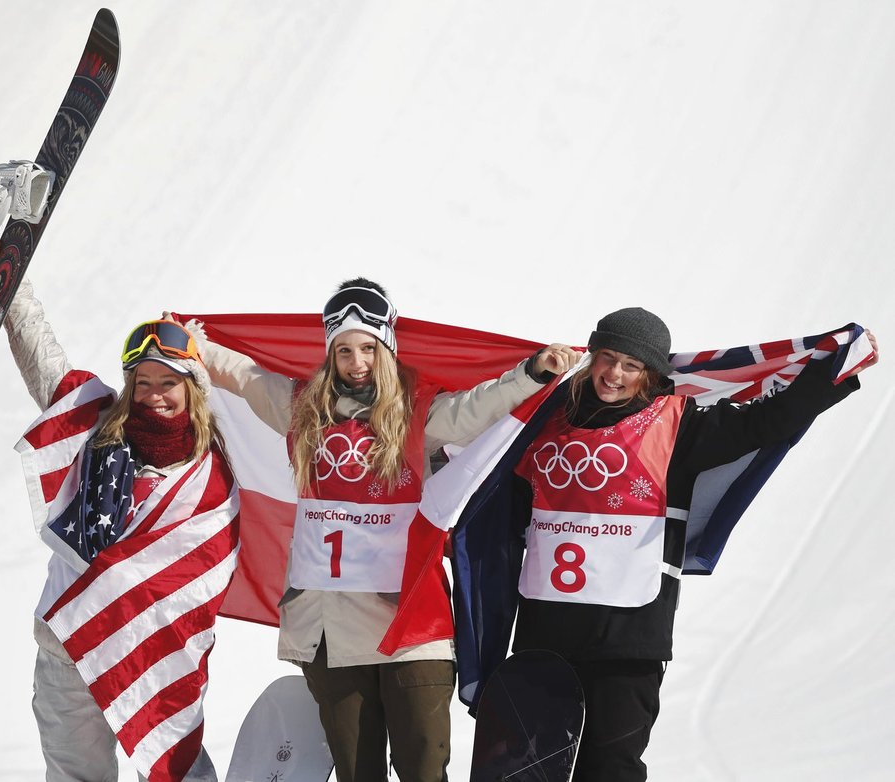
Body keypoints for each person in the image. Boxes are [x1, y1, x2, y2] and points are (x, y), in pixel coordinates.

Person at [189, 278, 570, 782]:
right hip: (329, 626)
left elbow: (475, 409)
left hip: (409, 624)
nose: (356, 362)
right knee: (357, 771)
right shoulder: (303, 408)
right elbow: (245, 375)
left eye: (368, 347)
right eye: (343, 350)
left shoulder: (418, 412)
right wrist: (193, 344)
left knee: (423, 767)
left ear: (387, 347)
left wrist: (531, 373)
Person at [503, 307, 879, 782]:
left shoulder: (677, 424)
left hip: (626, 642)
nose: (614, 374)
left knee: (611, 769)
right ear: (592, 355)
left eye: (631, 365)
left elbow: (765, 422)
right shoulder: (546, 419)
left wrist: (835, 373)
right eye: (607, 357)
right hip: (546, 634)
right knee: (527, 771)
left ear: (650, 374)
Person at [0, 241, 233, 782]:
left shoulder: (215, 475)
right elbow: (45, 367)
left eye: (169, 383)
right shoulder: (97, 432)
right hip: (68, 649)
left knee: (181, 774)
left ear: (193, 390)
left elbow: (281, 411)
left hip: (157, 657)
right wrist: (12, 286)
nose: (154, 395)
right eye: (143, 382)